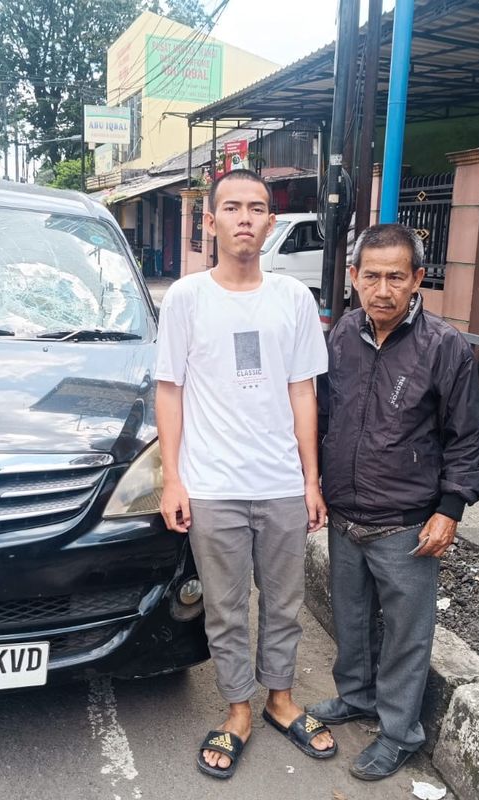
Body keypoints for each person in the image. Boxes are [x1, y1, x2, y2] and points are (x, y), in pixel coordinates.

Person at [155, 168, 336, 780]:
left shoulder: (293, 299)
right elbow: (170, 390)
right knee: (226, 608)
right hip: (212, 486)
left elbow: (303, 392)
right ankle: (237, 710)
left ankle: (281, 700)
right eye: (231, 208)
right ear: (210, 221)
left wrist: (310, 480)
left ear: (270, 221)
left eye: (256, 208)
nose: (244, 219)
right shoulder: (186, 299)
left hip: (280, 483)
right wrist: (173, 479)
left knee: (284, 603)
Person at [308, 224, 479, 781]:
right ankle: (357, 697)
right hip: (345, 511)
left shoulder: (445, 345)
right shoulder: (342, 334)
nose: (382, 290)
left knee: (408, 634)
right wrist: (315, 484)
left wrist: (450, 509)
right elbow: (323, 415)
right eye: (371, 276)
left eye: (395, 277)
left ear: (417, 279)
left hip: (407, 520)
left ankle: (399, 732)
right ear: (353, 277)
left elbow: (465, 436)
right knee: (352, 618)